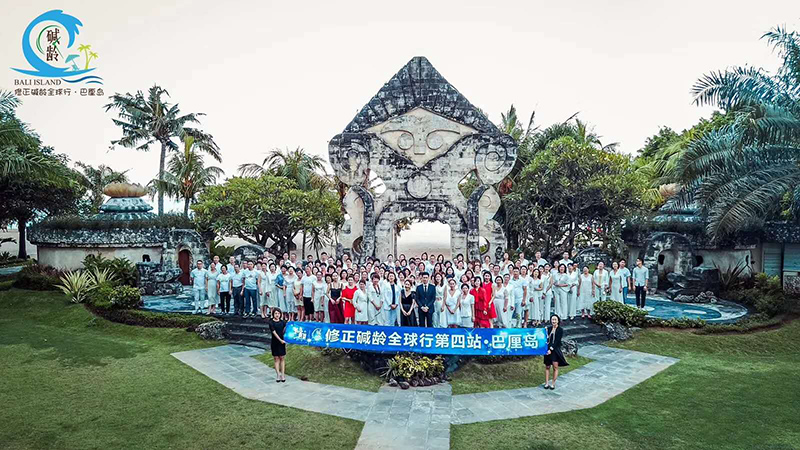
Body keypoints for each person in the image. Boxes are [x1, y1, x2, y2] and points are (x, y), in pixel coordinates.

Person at [543, 314, 569, 390]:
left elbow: (557, 341)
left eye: (555, 320)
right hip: (547, 349)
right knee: (547, 366)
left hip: (555, 350)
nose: (553, 321)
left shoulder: (560, 330)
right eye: (552, 319)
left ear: (558, 321)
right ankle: (546, 383)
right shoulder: (549, 328)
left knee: (555, 367)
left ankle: (553, 384)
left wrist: (551, 349)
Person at [268, 308, 287, 383]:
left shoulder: (283, 322)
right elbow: (274, 333)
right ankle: (278, 375)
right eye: (275, 313)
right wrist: (280, 340)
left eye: (278, 313)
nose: (277, 315)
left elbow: (285, 331)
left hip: (282, 342)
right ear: (273, 314)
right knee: (276, 358)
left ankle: (283, 375)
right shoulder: (271, 322)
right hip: (275, 342)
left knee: (282, 358)